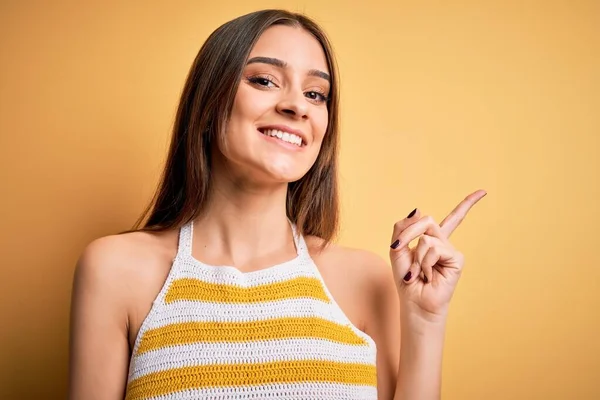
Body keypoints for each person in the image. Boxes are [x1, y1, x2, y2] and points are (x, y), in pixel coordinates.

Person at [68, 8, 486, 400]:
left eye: (316, 93)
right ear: (209, 100)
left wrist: (425, 321)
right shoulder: (115, 269)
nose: (296, 106)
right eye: (264, 81)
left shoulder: (366, 279)